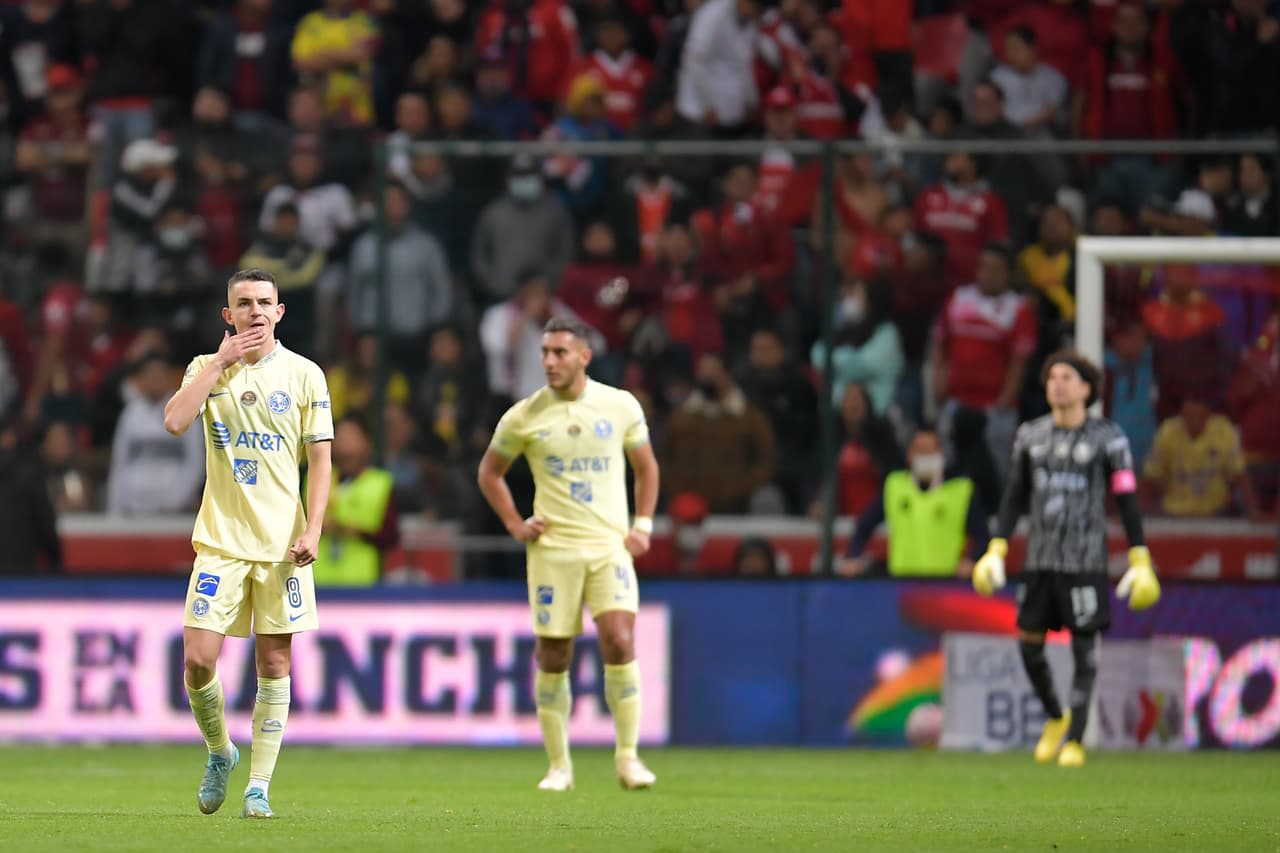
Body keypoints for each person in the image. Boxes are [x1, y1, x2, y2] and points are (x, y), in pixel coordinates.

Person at [161, 268, 334, 818]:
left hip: (283, 543)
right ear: (227, 315)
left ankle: (259, 785)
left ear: (280, 312)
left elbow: (322, 462)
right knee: (196, 660)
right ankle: (220, 752)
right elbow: (173, 422)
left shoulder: (306, 375)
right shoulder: (206, 370)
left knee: (275, 663)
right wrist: (218, 363)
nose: (255, 311)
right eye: (244, 303)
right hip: (221, 542)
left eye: (265, 302)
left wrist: (313, 528)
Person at [477, 316, 661, 792]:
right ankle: (559, 766)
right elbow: (490, 473)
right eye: (545, 353)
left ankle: (628, 758)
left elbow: (646, 468)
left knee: (620, 640)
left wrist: (642, 525)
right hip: (553, 551)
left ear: (585, 356)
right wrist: (516, 524)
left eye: (560, 353)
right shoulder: (524, 415)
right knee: (553, 654)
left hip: (608, 547)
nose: (550, 362)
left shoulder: (619, 405)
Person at [971, 351, 1160, 769]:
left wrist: (1139, 555)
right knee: (1029, 645)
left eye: (1067, 377)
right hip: (1040, 560)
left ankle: (1075, 740)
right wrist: (997, 546)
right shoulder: (1030, 436)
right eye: (1052, 376)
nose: (1057, 383)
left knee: (1083, 649)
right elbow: (1015, 495)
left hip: (1085, 561)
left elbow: (1126, 498)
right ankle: (1056, 717)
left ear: (1086, 388)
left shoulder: (1109, 438)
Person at [840, 428, 988, 578]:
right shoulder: (895, 486)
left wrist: (971, 560)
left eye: (931, 450)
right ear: (909, 455)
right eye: (920, 450)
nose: (926, 455)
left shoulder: (960, 491)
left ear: (941, 454)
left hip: (944, 585)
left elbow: (983, 538)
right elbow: (864, 525)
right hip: (901, 584)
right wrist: (854, 556)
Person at [315, 415, 400, 586]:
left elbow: (391, 536)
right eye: (340, 436)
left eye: (352, 436)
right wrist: (316, 528)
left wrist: (359, 533)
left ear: (367, 443)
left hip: (362, 584)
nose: (345, 444)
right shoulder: (314, 478)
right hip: (316, 581)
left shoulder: (381, 483)